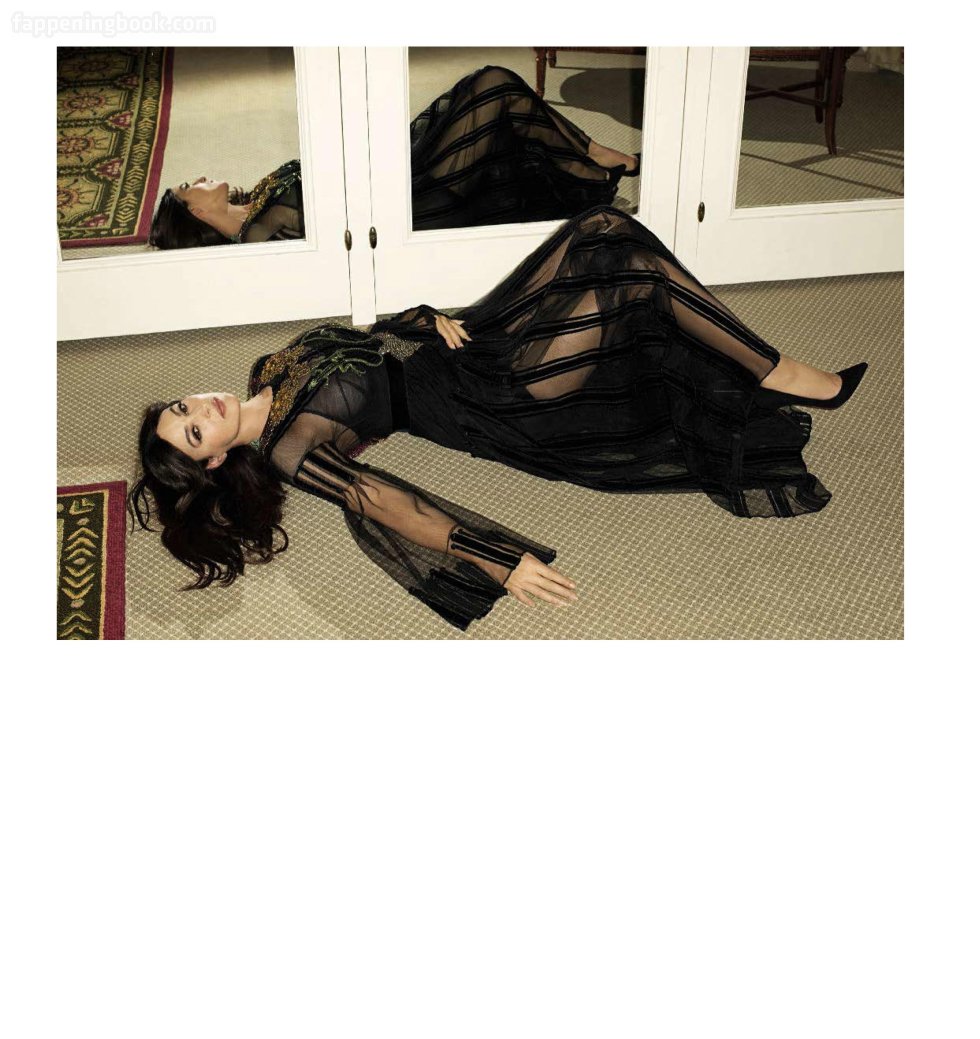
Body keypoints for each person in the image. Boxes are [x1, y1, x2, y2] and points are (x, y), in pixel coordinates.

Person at [129, 205, 868, 632]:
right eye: (194, 431)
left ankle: (773, 369)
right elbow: (378, 499)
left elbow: (364, 338)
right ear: (215, 459)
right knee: (630, 271)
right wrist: (496, 559)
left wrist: (424, 320)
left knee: (604, 227)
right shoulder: (291, 447)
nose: (201, 409)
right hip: (504, 398)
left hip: (474, 344)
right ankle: (785, 374)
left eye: (183, 407)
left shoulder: (265, 371)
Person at [148, 65, 641, 248]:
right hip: (415, 201)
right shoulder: (257, 234)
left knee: (488, 86)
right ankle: (593, 159)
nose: (198, 177)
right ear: (196, 213)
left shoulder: (255, 202)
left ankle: (590, 159)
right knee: (495, 88)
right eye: (187, 186)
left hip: (396, 173)